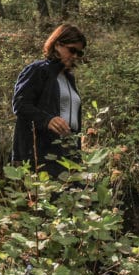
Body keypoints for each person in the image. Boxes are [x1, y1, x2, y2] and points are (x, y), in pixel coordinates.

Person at [11, 23, 86, 179]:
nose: (75, 56)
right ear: (58, 44)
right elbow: (20, 104)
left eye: (79, 53)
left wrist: (78, 153)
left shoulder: (69, 79)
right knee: (48, 199)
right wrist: (47, 119)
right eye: (72, 50)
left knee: (72, 199)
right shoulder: (38, 70)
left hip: (69, 152)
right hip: (42, 152)